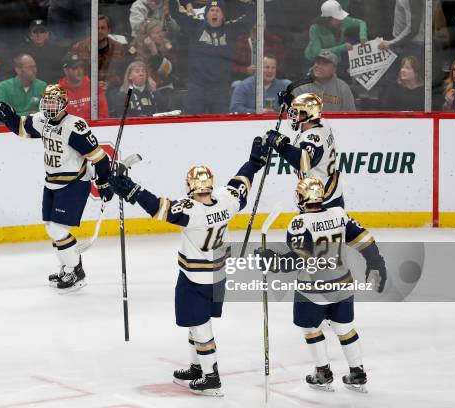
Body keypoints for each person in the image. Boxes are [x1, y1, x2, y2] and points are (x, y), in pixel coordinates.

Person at [108, 137, 269, 397]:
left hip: (195, 278)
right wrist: (254, 162)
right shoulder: (226, 200)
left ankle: (211, 378)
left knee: (200, 327)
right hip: (218, 275)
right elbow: (241, 183)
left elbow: (159, 208)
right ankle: (197, 367)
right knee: (197, 324)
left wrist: (132, 190)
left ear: (191, 186)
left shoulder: (191, 210)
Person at [255, 177, 386, 393]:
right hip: (343, 285)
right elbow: (365, 239)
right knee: (344, 328)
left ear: (300, 197)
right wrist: (375, 262)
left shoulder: (299, 223)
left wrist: (272, 261)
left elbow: (299, 258)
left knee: (310, 328)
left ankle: (322, 372)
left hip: (314, 290)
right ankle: (357, 372)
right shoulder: (338, 213)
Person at [0, 84, 114, 293]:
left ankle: (76, 271)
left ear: (64, 104)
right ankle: (67, 267)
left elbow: (99, 157)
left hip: (74, 183)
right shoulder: (42, 120)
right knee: (52, 229)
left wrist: (103, 181)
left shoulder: (75, 126)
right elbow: (23, 128)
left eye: (54, 102)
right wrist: (7, 116)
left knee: (58, 230)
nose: (49, 106)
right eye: (46, 101)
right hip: (52, 182)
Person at [168, 0, 256, 114]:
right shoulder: (195, 27)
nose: (214, 13)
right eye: (212, 10)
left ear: (223, 15)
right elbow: (176, 13)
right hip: (197, 87)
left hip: (221, 88)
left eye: (218, 10)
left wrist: (249, 3)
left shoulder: (230, 30)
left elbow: (252, 17)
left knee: (221, 124)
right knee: (191, 123)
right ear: (206, 14)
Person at [264, 92, 344, 208]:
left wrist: (280, 145)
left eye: (297, 112)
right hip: (325, 190)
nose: (293, 114)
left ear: (308, 115)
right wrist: (291, 101)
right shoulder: (321, 122)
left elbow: (304, 162)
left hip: (322, 199)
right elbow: (309, 112)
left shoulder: (313, 137)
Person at [71, 15, 127, 97]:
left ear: (109, 30)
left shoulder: (118, 48)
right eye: (96, 28)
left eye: (103, 28)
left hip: (111, 88)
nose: (99, 31)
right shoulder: (79, 47)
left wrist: (108, 83)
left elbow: (122, 73)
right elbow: (72, 73)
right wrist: (91, 84)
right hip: (85, 88)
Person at [304, 0, 368, 68]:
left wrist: (363, 36)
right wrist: (341, 48)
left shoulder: (343, 21)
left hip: (334, 60)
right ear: (328, 18)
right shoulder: (315, 28)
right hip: (314, 61)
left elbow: (361, 23)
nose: (340, 20)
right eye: (337, 17)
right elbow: (317, 52)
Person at [58, 53, 109, 120]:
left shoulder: (94, 87)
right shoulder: (58, 92)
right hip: (69, 128)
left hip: (93, 128)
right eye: (75, 68)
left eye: (81, 67)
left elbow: (103, 115)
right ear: (66, 71)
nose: (80, 71)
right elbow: (57, 119)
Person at [17, 19, 68, 84]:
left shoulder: (57, 50)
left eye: (42, 31)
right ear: (30, 35)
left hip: (51, 85)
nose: (38, 35)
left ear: (47, 34)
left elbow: (60, 74)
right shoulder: (22, 51)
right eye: (35, 32)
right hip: (30, 85)